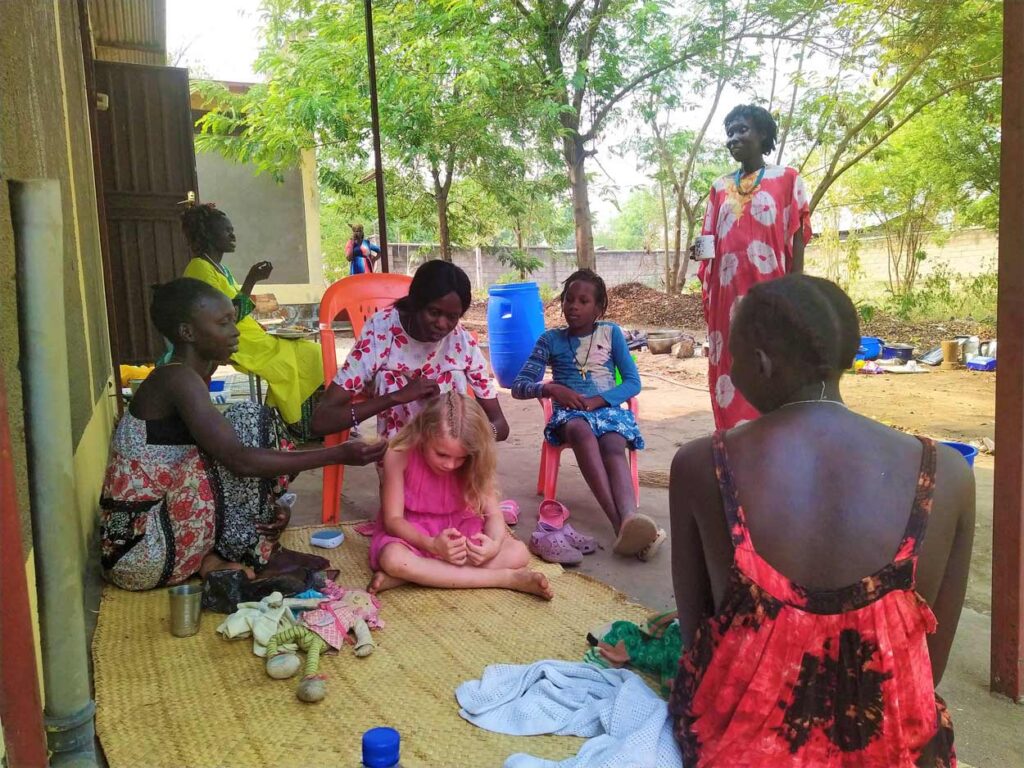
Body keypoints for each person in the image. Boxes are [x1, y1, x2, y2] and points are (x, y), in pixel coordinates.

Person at [668, 275, 973, 767]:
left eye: (733, 353)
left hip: (738, 749)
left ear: (762, 363)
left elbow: (698, 639)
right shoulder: (948, 474)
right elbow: (926, 666)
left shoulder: (703, 463)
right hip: (893, 749)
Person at [100, 278, 387, 591]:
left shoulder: (187, 375)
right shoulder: (177, 379)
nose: (235, 332)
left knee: (240, 438)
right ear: (188, 333)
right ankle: (261, 557)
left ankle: (223, 564)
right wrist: (337, 454)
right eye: (224, 323)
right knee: (250, 422)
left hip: (139, 548)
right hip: (140, 553)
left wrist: (271, 504)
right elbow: (239, 461)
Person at [512, 269, 664, 560]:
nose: (574, 306)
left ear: (599, 308)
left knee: (613, 444)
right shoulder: (550, 340)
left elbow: (633, 382)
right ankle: (621, 524)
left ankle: (631, 517)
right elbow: (519, 386)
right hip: (570, 415)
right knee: (581, 431)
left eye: (583, 301)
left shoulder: (611, 333)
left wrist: (598, 400)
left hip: (606, 410)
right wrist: (551, 388)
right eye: (569, 299)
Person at [367, 392, 553, 600]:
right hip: (415, 535)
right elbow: (393, 520)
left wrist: (493, 545)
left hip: (461, 533)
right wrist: (431, 545)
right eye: (441, 454)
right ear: (423, 434)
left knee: (518, 553)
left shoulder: (476, 461)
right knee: (393, 559)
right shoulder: (398, 454)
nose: (449, 465)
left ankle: (416, 575)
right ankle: (507, 579)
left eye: (460, 458)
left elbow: (493, 515)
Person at [697, 104, 812, 430]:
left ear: (763, 134)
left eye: (741, 130)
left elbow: (798, 235)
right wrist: (699, 252)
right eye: (729, 132)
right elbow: (708, 242)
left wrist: (795, 290)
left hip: (770, 295)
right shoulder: (719, 188)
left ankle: (770, 440)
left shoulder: (787, 179)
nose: (733, 138)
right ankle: (733, 441)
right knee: (730, 366)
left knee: (769, 363)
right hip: (725, 299)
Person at [311, 259, 509, 443]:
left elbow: (500, 425)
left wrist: (467, 439)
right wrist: (396, 397)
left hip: (446, 451)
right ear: (416, 303)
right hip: (399, 450)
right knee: (390, 379)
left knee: (453, 379)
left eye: (452, 317)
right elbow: (322, 421)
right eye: (434, 312)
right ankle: (398, 469)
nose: (442, 324)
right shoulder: (381, 332)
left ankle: (445, 467)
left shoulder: (460, 342)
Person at [179, 201, 323, 427]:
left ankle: (299, 417)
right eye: (227, 230)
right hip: (233, 340)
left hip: (251, 335)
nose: (233, 234)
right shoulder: (200, 268)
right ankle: (292, 421)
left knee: (313, 352)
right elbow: (225, 316)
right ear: (208, 234)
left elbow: (238, 309)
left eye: (232, 229)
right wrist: (251, 280)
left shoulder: (221, 269)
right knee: (284, 363)